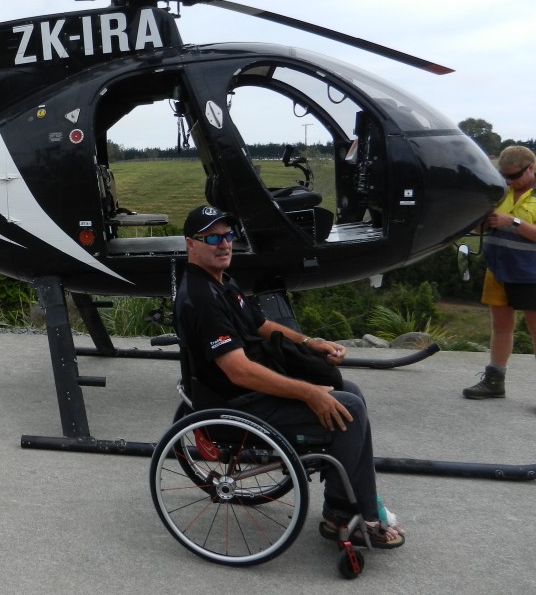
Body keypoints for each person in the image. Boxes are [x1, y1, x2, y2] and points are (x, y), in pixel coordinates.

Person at [173, 204, 405, 549]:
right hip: (236, 407)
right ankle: (343, 513)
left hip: (248, 396)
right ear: (191, 244)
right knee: (349, 408)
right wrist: (308, 392)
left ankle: (354, 502)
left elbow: (261, 326)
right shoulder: (200, 298)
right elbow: (238, 371)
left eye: (228, 235)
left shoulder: (222, 283)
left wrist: (311, 343)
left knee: (348, 390)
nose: (224, 244)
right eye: (212, 237)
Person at [463, 145, 536, 399]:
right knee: (501, 326)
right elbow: (480, 229)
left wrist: (513, 222)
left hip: (531, 273)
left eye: (514, 176)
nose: (508, 181)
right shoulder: (499, 191)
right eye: (504, 175)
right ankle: (495, 382)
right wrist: (482, 223)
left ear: (531, 167)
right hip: (497, 269)